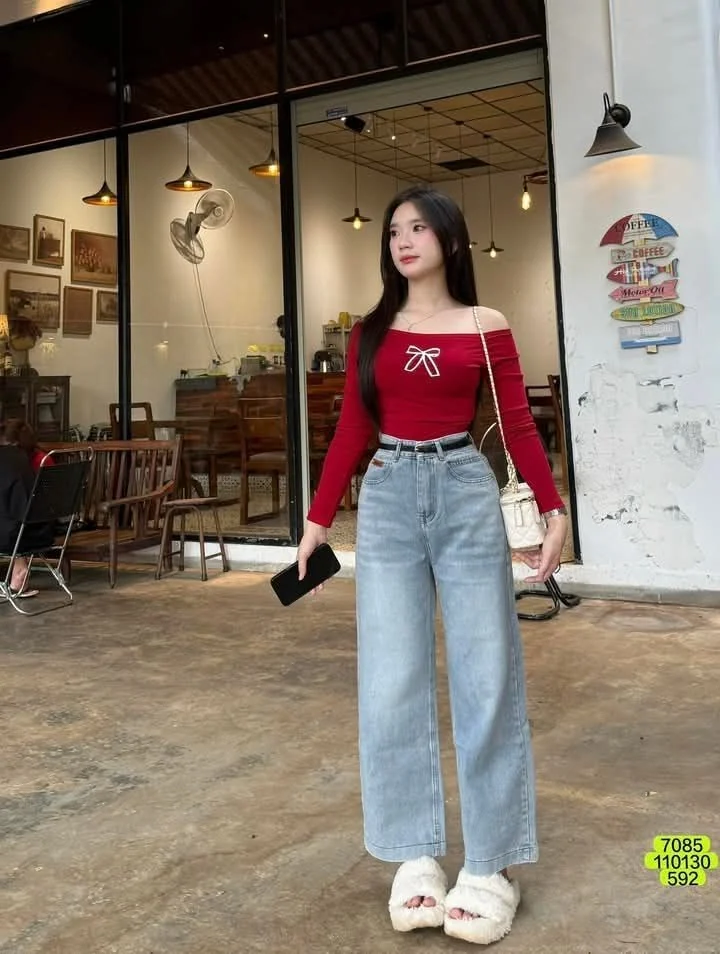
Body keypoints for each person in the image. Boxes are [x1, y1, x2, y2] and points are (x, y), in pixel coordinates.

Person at [296, 185, 568, 945]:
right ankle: (413, 854)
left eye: (418, 228)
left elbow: (516, 423)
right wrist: (317, 523)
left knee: (487, 676)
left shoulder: (486, 325)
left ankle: (491, 864)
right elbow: (353, 429)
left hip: (464, 488)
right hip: (388, 495)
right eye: (393, 232)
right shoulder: (370, 332)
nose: (404, 241)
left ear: (450, 239)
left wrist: (553, 509)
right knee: (391, 680)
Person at [0, 421, 54, 599]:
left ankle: (18, 573)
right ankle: (19, 573)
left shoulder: (14, 464)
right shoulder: (39, 459)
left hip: (22, 532)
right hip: (42, 529)